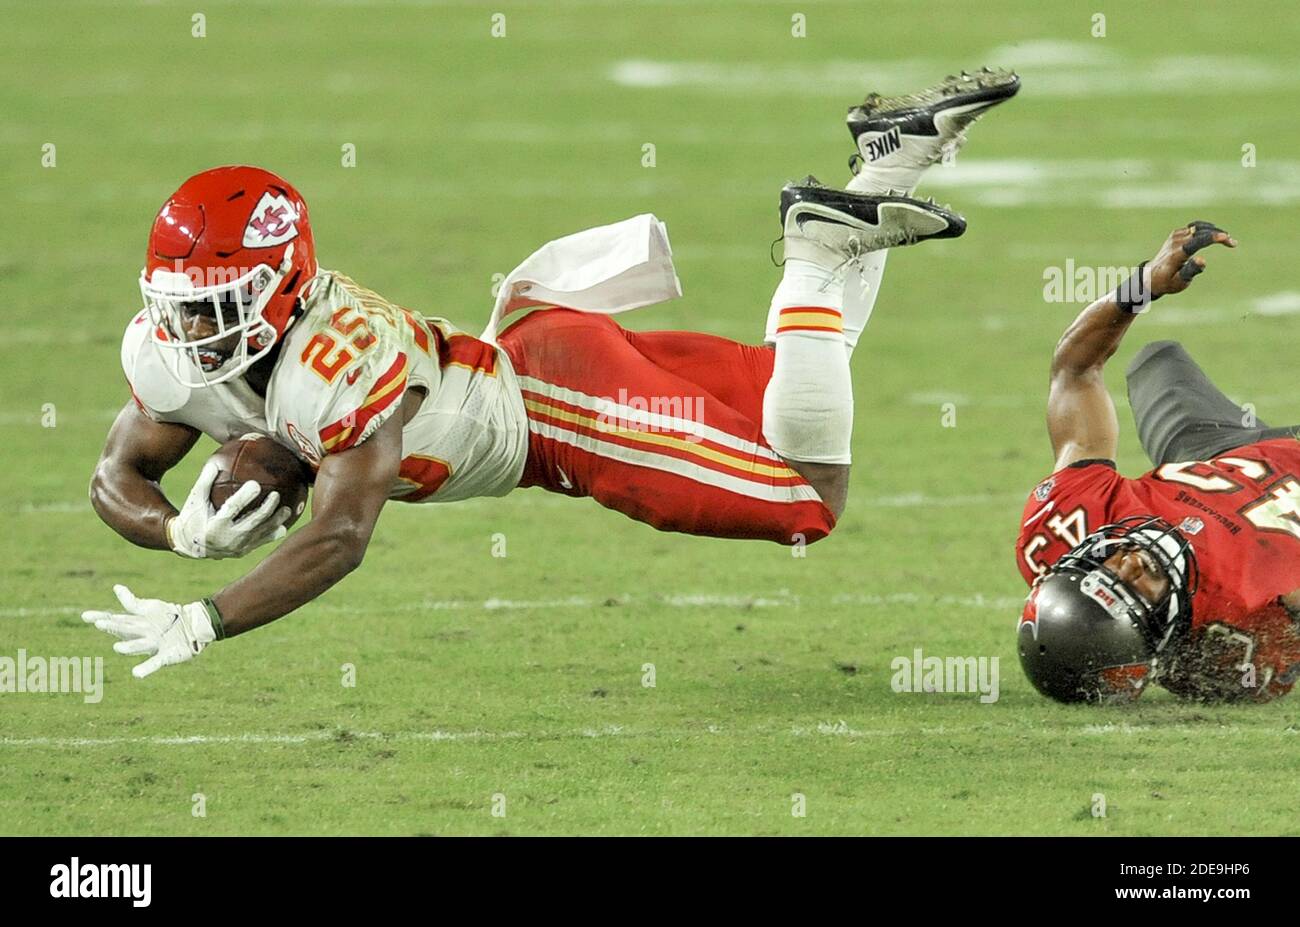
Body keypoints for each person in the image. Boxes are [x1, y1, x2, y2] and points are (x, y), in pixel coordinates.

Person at [82, 71, 1020, 679]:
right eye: (177, 300)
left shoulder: (336, 366)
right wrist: (177, 536)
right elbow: (116, 474)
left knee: (807, 492)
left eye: (215, 299)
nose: (190, 325)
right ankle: (883, 167)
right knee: (796, 387)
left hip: (564, 412)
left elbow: (338, 538)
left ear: (281, 283)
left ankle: (817, 248)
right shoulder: (171, 349)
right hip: (542, 355)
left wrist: (208, 617)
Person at [1017, 222, 1300, 703]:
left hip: (1220, 454)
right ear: (1160, 628)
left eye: (1107, 566)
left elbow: (1075, 369)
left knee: (1155, 362)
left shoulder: (1068, 528)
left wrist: (1142, 286)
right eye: (1137, 585)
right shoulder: (1244, 639)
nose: (1129, 560)